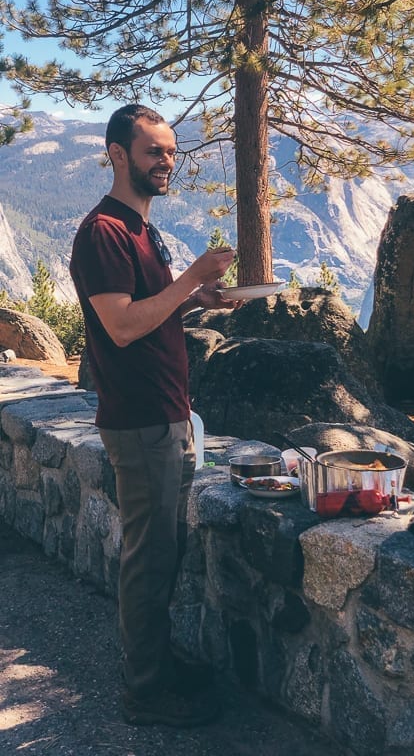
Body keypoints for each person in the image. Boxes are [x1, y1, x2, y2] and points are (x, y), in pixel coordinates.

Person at [70, 103, 238, 728]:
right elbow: (119, 326)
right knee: (148, 558)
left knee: (167, 551)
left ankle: (158, 666)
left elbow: (153, 311)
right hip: (139, 421)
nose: (167, 162)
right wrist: (192, 275)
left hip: (167, 413)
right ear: (118, 154)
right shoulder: (104, 233)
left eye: (171, 152)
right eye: (153, 152)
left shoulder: (144, 230)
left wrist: (196, 299)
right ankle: (144, 691)